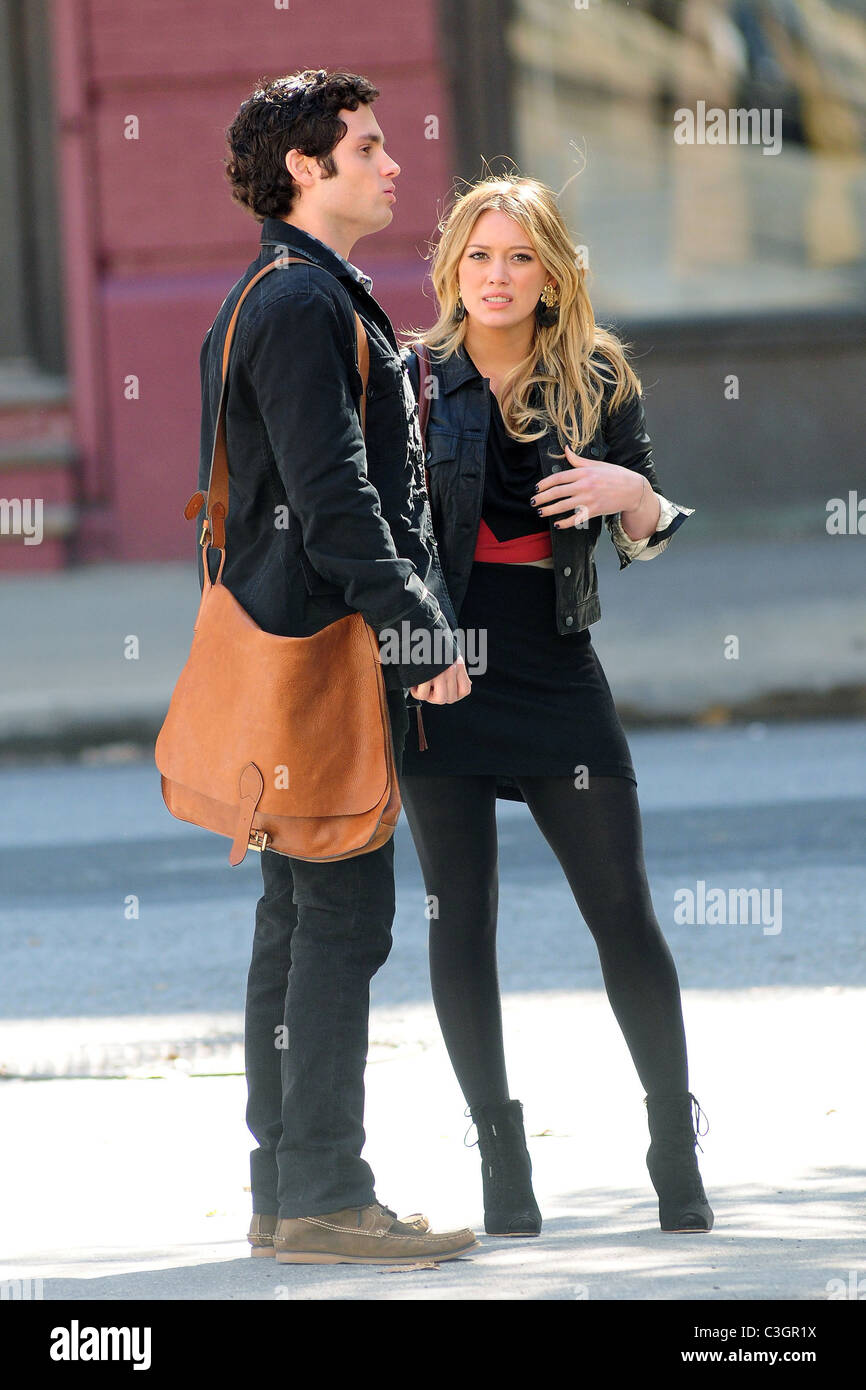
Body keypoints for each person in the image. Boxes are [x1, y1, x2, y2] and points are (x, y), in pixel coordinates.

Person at [397, 175, 714, 1236]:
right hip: (436, 670)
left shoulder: (593, 376)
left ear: (550, 272)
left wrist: (635, 497)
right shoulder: (407, 379)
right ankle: (499, 1155)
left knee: (619, 905)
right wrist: (410, 652)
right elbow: (378, 541)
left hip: (552, 663)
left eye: (518, 257)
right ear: (451, 267)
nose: (495, 275)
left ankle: (672, 1138)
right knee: (460, 917)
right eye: (477, 255)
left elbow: (643, 523)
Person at [198, 68, 476, 1264]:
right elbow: (334, 503)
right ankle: (320, 1191)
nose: (392, 164)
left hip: (281, 645)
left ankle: (286, 1190)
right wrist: (418, 633)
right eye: (366, 148)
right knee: (340, 921)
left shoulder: (279, 289)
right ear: (305, 169)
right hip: (322, 652)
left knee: (296, 919)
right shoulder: (301, 302)